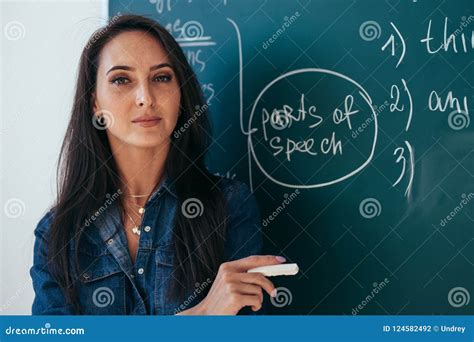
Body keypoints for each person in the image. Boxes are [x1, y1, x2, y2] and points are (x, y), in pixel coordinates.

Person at [30, 14, 285, 315]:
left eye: (161, 77)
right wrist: (201, 316)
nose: (145, 98)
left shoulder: (229, 206)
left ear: (181, 94)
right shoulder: (58, 234)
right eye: (121, 80)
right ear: (95, 103)